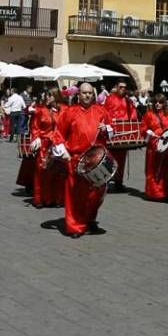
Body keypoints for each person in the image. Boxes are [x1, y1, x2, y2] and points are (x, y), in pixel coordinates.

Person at [51, 81, 113, 238]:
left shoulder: (101, 111)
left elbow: (111, 131)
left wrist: (107, 130)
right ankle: (75, 226)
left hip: (96, 159)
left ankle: (90, 219)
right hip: (76, 159)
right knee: (75, 194)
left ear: (93, 94)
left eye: (90, 93)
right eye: (84, 92)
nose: (87, 95)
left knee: (96, 193)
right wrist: (63, 151)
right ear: (78, 94)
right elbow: (58, 134)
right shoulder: (70, 112)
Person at [29, 90, 64, 208]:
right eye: (47, 95)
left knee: (57, 171)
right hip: (44, 144)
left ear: (56, 96)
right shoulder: (41, 110)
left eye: (50, 95)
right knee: (41, 170)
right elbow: (35, 125)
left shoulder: (63, 110)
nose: (47, 97)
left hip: (58, 144)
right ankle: (39, 198)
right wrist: (36, 137)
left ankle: (56, 198)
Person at [141, 92, 168, 201]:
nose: (157, 104)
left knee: (165, 170)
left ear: (164, 103)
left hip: (166, 146)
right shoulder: (149, 114)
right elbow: (142, 128)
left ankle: (165, 193)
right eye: (155, 102)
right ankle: (153, 194)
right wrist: (148, 131)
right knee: (152, 169)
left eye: (160, 102)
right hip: (153, 147)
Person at [103, 79, 137, 191]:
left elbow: (133, 113)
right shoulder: (109, 99)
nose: (123, 89)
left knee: (121, 159)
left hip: (124, 132)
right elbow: (105, 113)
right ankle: (107, 180)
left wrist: (130, 121)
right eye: (121, 87)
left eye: (124, 87)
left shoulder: (128, 101)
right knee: (110, 157)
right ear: (116, 87)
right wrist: (110, 124)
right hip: (113, 132)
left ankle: (118, 181)